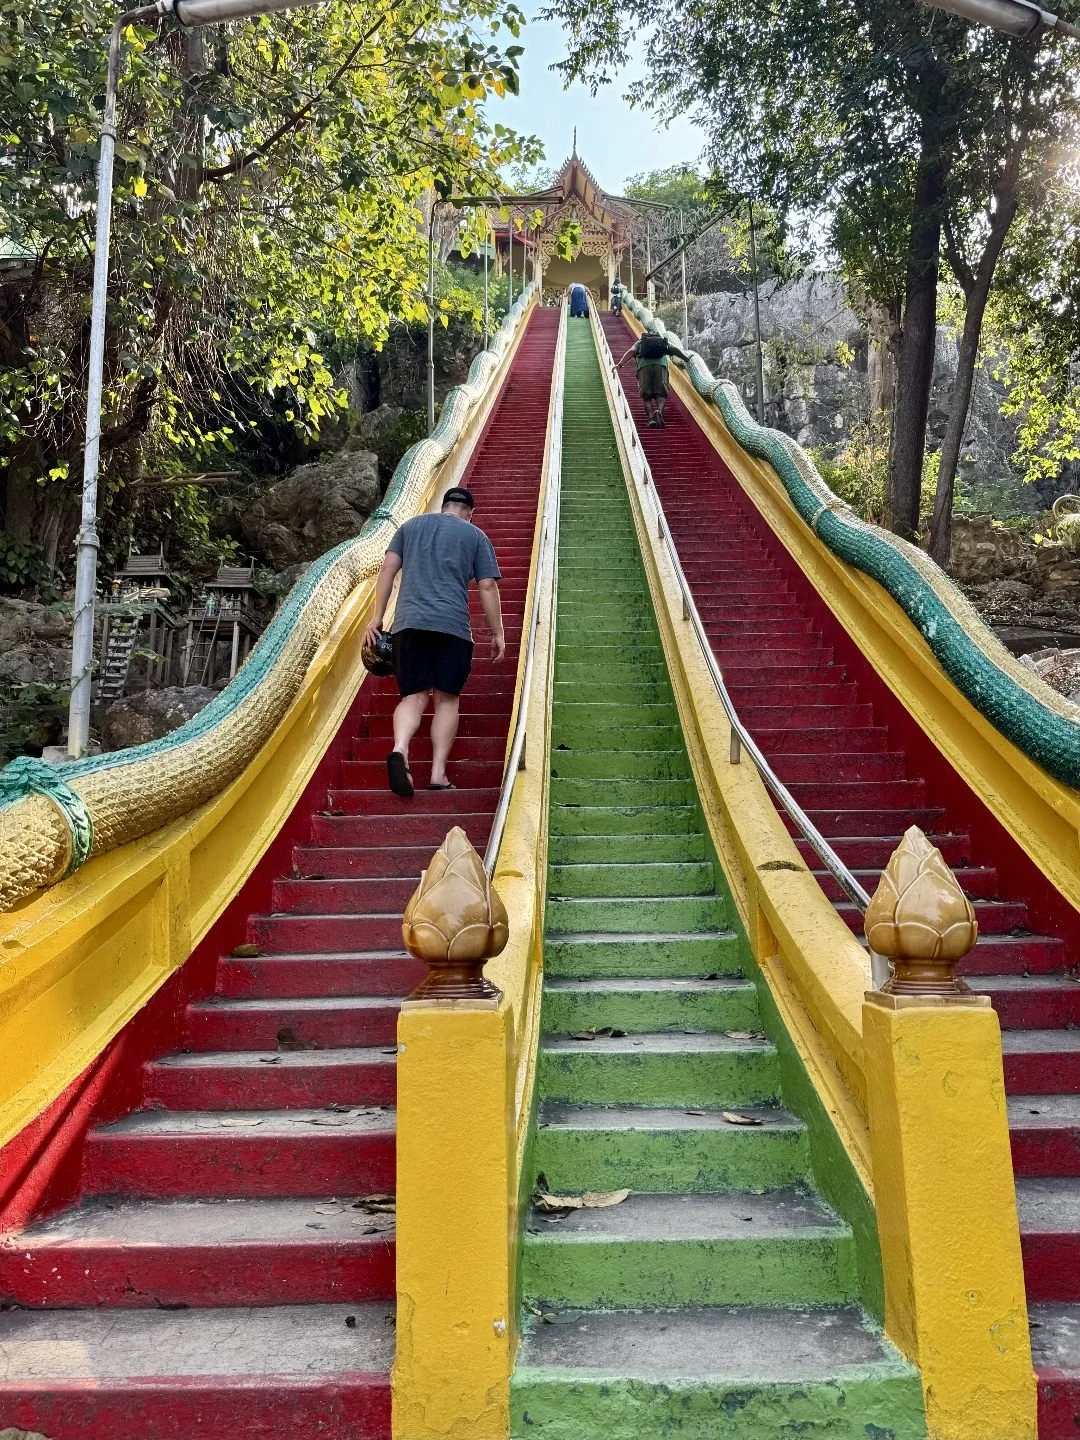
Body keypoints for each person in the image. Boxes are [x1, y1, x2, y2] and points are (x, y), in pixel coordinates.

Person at [363, 486, 505, 797]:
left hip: (408, 626)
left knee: (413, 697)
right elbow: (487, 588)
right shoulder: (476, 536)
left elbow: (388, 568)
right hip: (452, 628)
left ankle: (400, 749)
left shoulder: (410, 527)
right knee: (446, 699)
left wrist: (377, 617)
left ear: (444, 506)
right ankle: (438, 772)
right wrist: (497, 632)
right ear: (469, 513)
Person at [615, 329, 690, 428]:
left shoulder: (640, 342)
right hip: (660, 367)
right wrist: (686, 358)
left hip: (643, 368)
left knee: (646, 396)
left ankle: (651, 418)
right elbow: (675, 349)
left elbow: (632, 351)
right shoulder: (662, 341)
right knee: (661, 394)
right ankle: (659, 410)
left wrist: (620, 365)